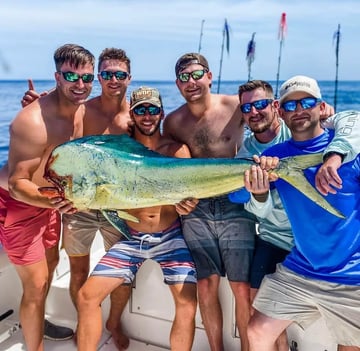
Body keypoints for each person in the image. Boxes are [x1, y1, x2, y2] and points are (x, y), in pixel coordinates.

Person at [229, 79, 360, 351]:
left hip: (351, 276)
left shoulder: (349, 151)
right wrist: (259, 187)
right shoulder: (275, 156)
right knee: (256, 331)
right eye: (291, 104)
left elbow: (353, 119)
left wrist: (334, 157)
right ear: (281, 111)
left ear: (321, 107)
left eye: (307, 102)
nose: (299, 109)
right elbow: (237, 195)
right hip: (301, 269)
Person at [19, 48, 134, 350]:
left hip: (116, 205)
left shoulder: (136, 115)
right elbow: (54, 112)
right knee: (78, 270)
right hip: (77, 206)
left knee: (123, 275)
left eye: (119, 74)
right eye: (107, 74)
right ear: (100, 78)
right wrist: (37, 103)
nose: (113, 79)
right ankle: (87, 320)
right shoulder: (83, 108)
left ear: (129, 78)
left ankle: (114, 322)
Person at [76, 86, 198, 351]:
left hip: (170, 236)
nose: (147, 115)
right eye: (140, 110)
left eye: (152, 109)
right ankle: (108, 328)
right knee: (86, 297)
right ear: (132, 114)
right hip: (131, 238)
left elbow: (189, 195)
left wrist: (188, 205)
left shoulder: (177, 150)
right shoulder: (120, 153)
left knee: (188, 303)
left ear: (161, 113)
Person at [3, 43, 95, 351]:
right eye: (71, 76)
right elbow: (17, 184)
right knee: (37, 283)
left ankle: (37, 322)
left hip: (50, 201)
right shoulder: (31, 122)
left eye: (87, 78)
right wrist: (57, 202)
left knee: (52, 262)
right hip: (19, 204)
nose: (80, 85)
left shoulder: (83, 111)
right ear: (57, 77)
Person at [163, 52, 257, 351]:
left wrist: (328, 116)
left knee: (241, 288)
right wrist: (178, 200)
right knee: (205, 283)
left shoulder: (235, 106)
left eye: (196, 74)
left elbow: (271, 119)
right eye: (183, 78)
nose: (191, 82)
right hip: (196, 209)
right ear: (177, 84)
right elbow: (168, 166)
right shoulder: (173, 121)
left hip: (236, 203)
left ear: (209, 75)